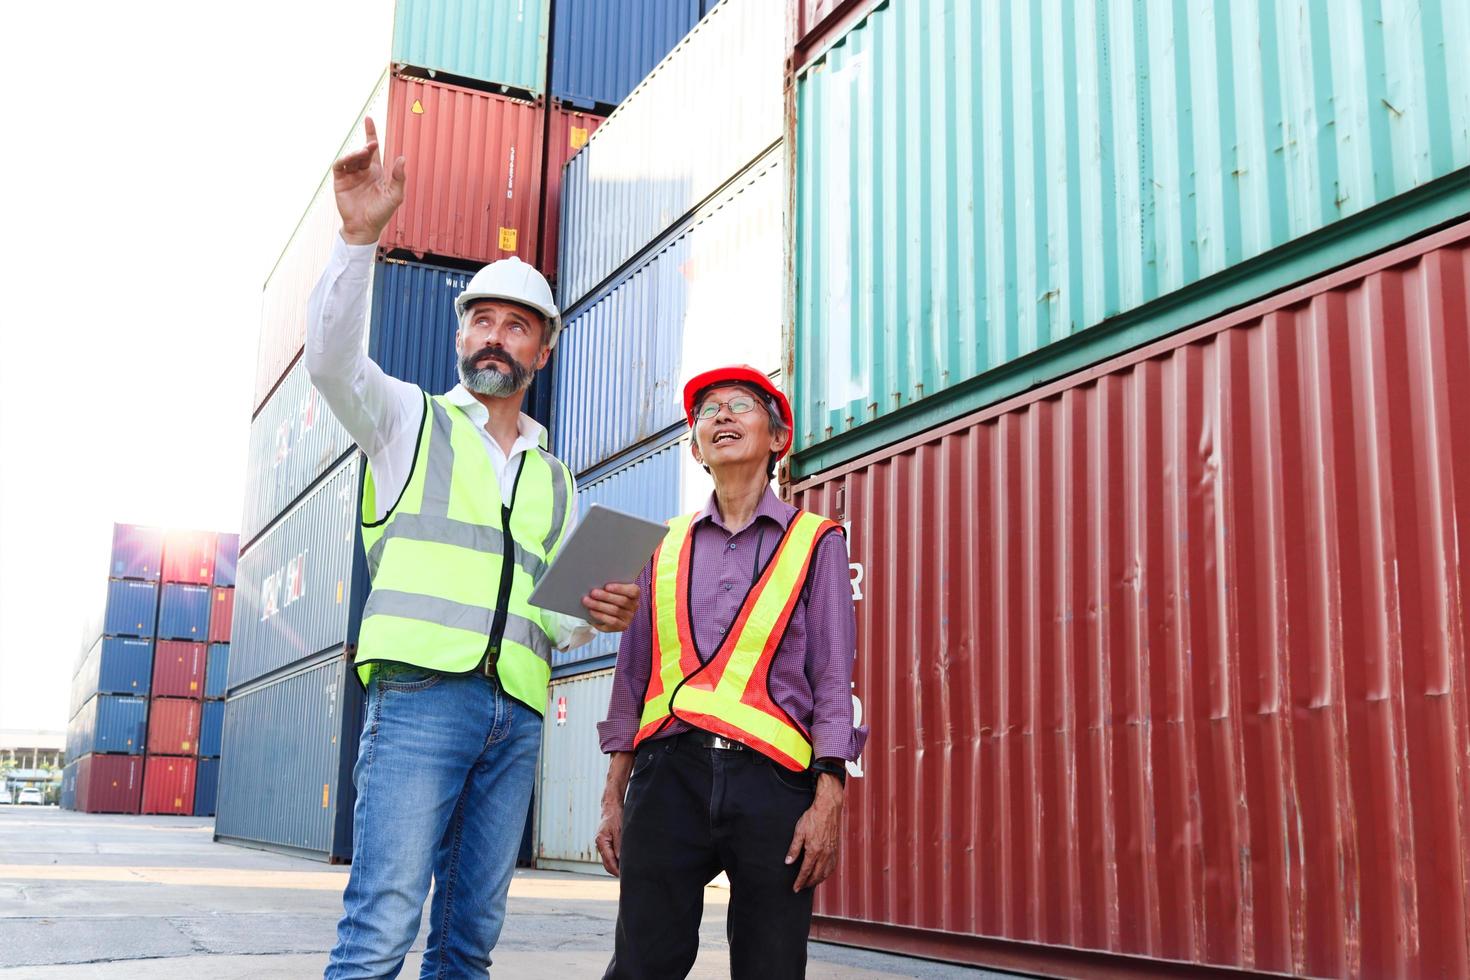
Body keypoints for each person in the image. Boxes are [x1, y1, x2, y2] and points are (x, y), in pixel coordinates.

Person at [307, 119, 641, 979]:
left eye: (517, 326)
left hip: (516, 718)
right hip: (421, 698)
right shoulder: (405, 422)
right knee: (379, 929)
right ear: (460, 338)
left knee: (469, 941)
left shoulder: (557, 479)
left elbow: (559, 622)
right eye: (481, 320)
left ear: (545, 347)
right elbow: (331, 365)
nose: (496, 335)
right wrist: (357, 239)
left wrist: (598, 613)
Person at [594, 365, 867, 979]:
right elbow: (632, 677)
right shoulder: (659, 547)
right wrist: (615, 794)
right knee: (642, 965)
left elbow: (832, 680)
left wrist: (829, 799)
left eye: (741, 404)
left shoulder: (817, 542)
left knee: (770, 967)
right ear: (695, 448)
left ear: (778, 440)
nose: (721, 415)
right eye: (707, 410)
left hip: (775, 786)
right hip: (667, 779)